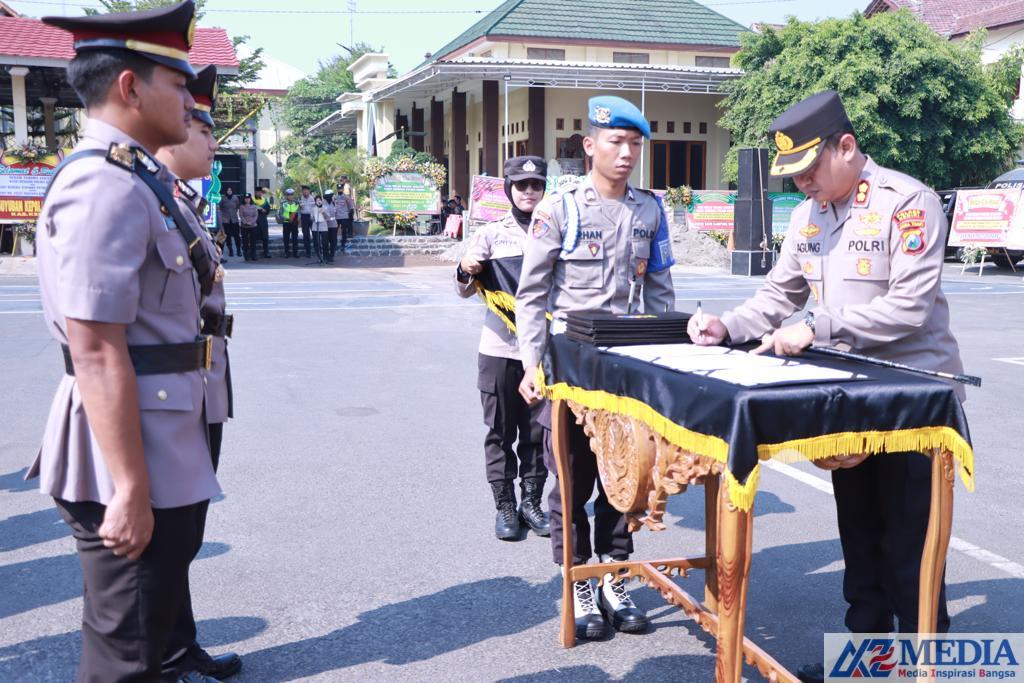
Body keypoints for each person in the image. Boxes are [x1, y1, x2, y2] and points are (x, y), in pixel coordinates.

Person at [686, 90, 963, 683]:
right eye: (795, 174)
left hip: (914, 403)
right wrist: (726, 326)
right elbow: (777, 295)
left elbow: (909, 308)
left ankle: (928, 667)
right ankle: (867, 665)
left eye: (810, 170)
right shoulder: (809, 215)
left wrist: (818, 325)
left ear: (847, 147)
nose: (803, 183)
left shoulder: (905, 203)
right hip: (847, 402)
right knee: (859, 542)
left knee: (911, 550)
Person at [29, 3, 223, 680]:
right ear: (129, 88)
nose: (188, 99)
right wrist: (128, 485)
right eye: (176, 83)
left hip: (155, 432)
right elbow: (95, 347)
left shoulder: (133, 175)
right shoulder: (103, 184)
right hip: (129, 450)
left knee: (143, 643)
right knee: (126, 658)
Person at [515, 96, 676, 639]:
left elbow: (659, 294)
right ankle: (578, 578)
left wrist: (667, 365)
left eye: (635, 144)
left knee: (624, 480)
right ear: (591, 146)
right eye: (616, 142)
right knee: (572, 480)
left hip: (625, 371)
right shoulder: (559, 208)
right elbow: (531, 295)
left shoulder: (650, 210)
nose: (627, 153)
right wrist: (531, 364)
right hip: (569, 369)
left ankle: (614, 574)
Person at [155, 63, 241, 681]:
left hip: (201, 384)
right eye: (203, 128)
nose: (213, 142)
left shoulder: (182, 200)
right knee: (167, 535)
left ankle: (181, 648)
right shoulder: (151, 196)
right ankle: (163, 658)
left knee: (186, 530)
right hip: (170, 389)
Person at [454, 156, 551, 542]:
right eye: (522, 185)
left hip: (541, 352)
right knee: (499, 432)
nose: (529, 191)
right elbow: (462, 288)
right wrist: (465, 268)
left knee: (537, 432)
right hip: (500, 349)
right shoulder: (490, 235)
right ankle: (505, 506)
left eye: (536, 185)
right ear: (508, 189)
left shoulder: (554, 232)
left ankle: (531, 502)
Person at [219, 186, 241, 259]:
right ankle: (230, 250)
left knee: (236, 235)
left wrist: (234, 212)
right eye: (228, 190)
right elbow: (220, 207)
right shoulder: (223, 198)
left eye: (230, 190)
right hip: (226, 220)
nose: (229, 191)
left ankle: (238, 250)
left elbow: (238, 206)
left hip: (234, 219)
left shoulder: (235, 198)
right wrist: (223, 217)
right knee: (227, 235)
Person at [334, 182, 355, 253]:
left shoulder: (346, 197)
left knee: (344, 232)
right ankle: (335, 244)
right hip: (336, 217)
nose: (340, 190)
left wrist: (349, 214)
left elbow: (350, 207)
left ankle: (343, 244)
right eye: (338, 189)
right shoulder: (334, 197)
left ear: (343, 189)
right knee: (334, 231)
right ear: (337, 189)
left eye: (341, 189)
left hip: (344, 217)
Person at [238, 193, 259, 261]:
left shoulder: (254, 206)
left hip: (253, 226)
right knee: (245, 241)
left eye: (248, 198)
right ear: (244, 199)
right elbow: (241, 215)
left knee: (253, 241)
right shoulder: (241, 206)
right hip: (244, 226)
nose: (247, 200)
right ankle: (246, 255)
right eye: (246, 198)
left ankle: (253, 255)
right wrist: (245, 222)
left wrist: (251, 222)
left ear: (250, 199)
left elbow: (256, 215)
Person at [280, 188, 300, 258]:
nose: (290, 196)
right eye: (288, 194)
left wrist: (298, 219)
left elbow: (299, 212)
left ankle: (295, 253)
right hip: (286, 223)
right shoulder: (283, 203)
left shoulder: (296, 203)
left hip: (294, 223)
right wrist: (287, 218)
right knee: (286, 239)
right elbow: (280, 214)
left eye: (291, 194)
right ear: (286, 195)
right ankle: (286, 253)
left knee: (295, 238)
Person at [253, 187, 272, 258]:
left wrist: (266, 211)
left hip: (263, 220)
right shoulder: (252, 199)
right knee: (253, 237)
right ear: (255, 192)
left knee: (265, 237)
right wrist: (260, 210)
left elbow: (268, 208)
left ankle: (266, 253)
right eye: (257, 192)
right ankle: (254, 254)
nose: (259, 193)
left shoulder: (264, 200)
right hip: (255, 220)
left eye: (260, 192)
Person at [311, 195, 331, 263]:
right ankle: (319, 257)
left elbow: (328, 217)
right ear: (315, 202)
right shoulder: (313, 208)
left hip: (324, 227)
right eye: (317, 200)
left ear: (321, 201)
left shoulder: (325, 207)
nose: (318, 201)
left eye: (319, 200)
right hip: (315, 227)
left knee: (325, 242)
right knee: (317, 243)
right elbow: (311, 218)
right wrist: (315, 215)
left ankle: (325, 257)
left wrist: (323, 212)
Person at [298, 185, 315, 258]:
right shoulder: (299, 199)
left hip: (312, 217)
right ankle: (308, 251)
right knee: (306, 235)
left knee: (315, 234)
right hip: (304, 217)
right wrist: (299, 220)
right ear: (302, 192)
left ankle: (317, 249)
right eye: (303, 191)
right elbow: (298, 210)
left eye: (306, 190)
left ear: (309, 191)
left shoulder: (313, 199)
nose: (305, 192)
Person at [323, 191, 340, 263]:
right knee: (325, 241)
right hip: (325, 225)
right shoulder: (323, 204)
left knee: (333, 241)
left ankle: (331, 256)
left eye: (330, 195)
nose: (329, 197)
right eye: (328, 196)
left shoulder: (334, 203)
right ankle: (325, 256)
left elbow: (337, 214)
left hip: (333, 225)